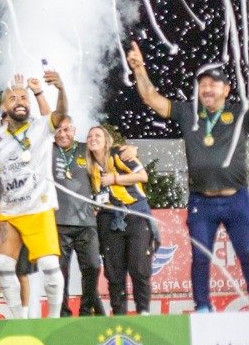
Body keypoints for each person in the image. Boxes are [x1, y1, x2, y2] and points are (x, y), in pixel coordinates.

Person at [126, 45, 249, 312]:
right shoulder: (188, 112)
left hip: (237, 199)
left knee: (248, 254)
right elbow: (151, 98)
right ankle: (203, 307)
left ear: (227, 89)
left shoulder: (241, 113)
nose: (207, 89)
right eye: (203, 84)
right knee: (201, 257)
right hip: (201, 202)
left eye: (214, 84)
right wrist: (138, 68)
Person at [0, 70, 69, 319]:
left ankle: (53, 319)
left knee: (49, 266)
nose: (19, 102)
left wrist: (59, 89)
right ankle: (18, 321)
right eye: (13, 98)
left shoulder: (41, 126)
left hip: (38, 207)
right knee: (3, 266)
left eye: (23, 97)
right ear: (4, 106)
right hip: (10, 211)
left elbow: (60, 114)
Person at [86, 126, 155, 315]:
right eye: (90, 136)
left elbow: (143, 176)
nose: (93, 138)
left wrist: (115, 179)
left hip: (135, 214)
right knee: (114, 271)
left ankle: (144, 313)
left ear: (107, 140)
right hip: (108, 219)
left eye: (98, 135)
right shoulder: (87, 163)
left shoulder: (119, 154)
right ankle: (119, 314)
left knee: (139, 267)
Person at [51, 116, 105, 317]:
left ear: (74, 130)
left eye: (67, 130)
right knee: (59, 272)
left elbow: (108, 157)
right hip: (57, 223)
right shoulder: (48, 150)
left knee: (93, 266)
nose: (63, 134)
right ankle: (63, 314)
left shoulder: (85, 149)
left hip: (86, 222)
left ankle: (86, 310)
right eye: (58, 130)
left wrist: (128, 150)